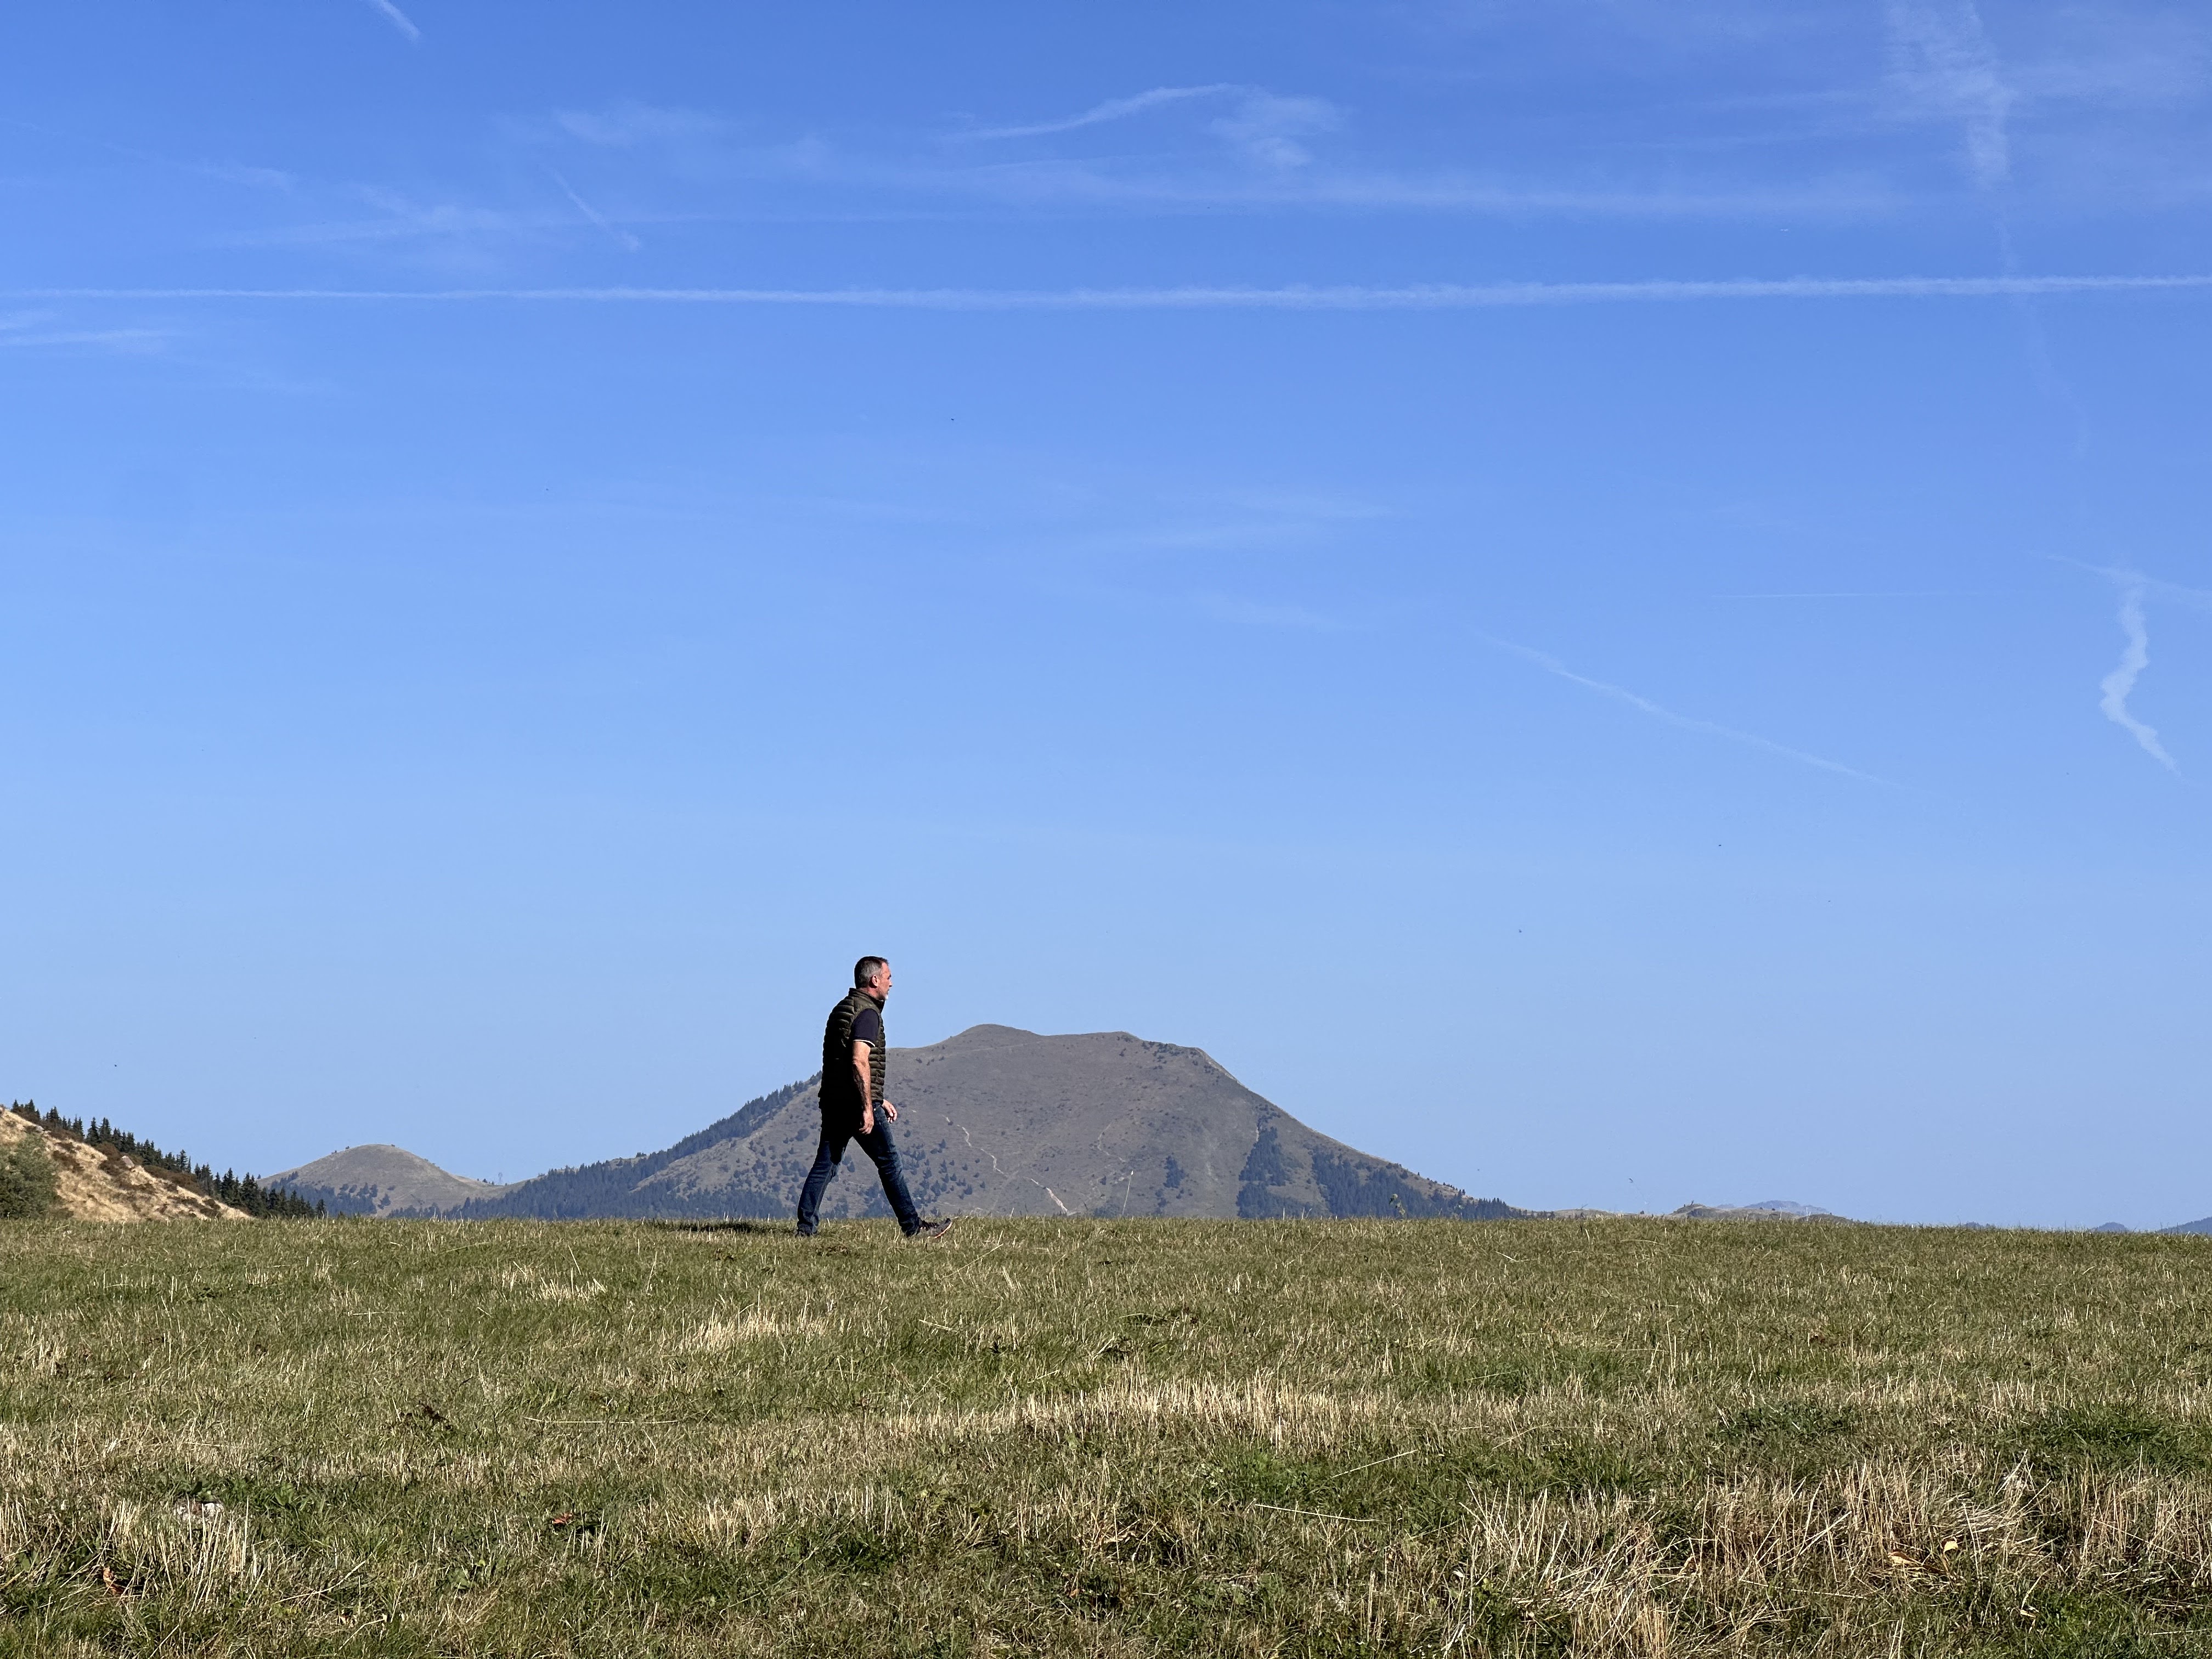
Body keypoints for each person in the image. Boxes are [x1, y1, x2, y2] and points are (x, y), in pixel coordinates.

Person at [795, 957, 952, 1240]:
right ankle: (913, 1228)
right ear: (874, 981)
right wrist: (868, 1107)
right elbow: (858, 1062)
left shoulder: (842, 1009)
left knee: (826, 1164)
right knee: (890, 1163)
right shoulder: (868, 1014)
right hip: (855, 1106)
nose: (892, 983)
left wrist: (879, 1098)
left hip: (834, 1101)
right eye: (889, 977)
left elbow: (843, 1064)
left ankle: (805, 1229)